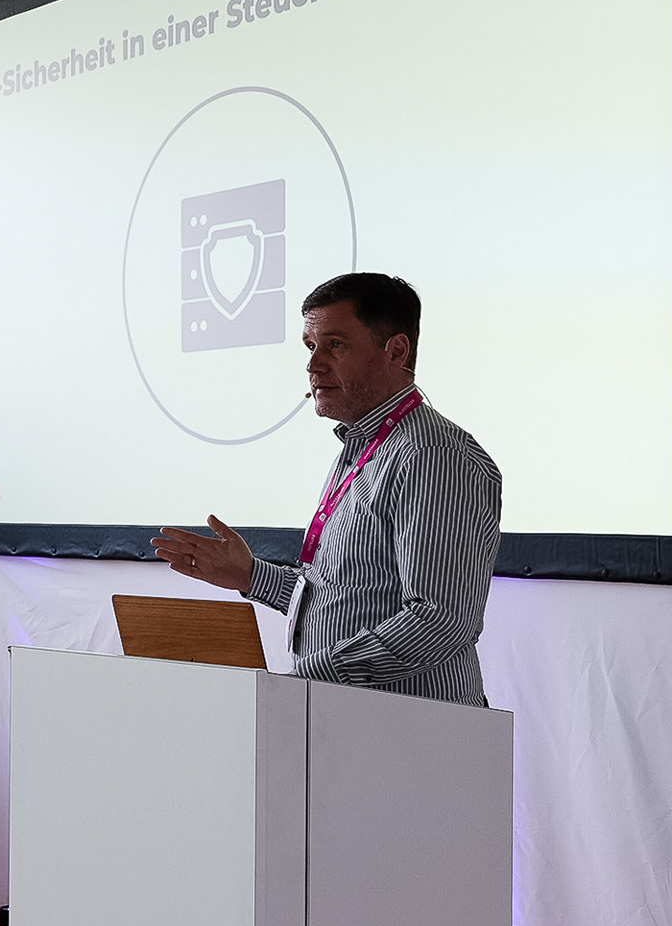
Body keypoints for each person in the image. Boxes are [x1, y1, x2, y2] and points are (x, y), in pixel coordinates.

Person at [151, 272, 502, 706]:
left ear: (396, 351)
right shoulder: (364, 447)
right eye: (310, 346)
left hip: (413, 730)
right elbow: (346, 597)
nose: (313, 365)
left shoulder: (432, 456)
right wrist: (251, 576)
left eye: (335, 345)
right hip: (348, 720)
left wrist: (306, 678)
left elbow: (438, 620)